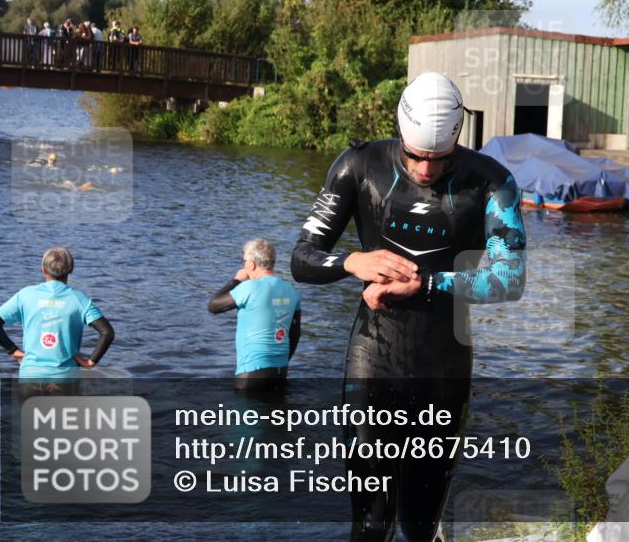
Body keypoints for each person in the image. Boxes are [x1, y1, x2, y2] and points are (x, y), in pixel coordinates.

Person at [291, 72, 526, 541]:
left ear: (457, 137)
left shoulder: (492, 182)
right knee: (371, 522)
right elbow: (302, 258)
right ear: (400, 132)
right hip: (373, 358)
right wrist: (354, 261)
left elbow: (510, 279)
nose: (424, 171)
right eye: (415, 155)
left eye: (438, 160)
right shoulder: (357, 166)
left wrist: (426, 285)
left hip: (444, 365)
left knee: (420, 524)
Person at [0, 247, 115, 391]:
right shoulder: (79, 299)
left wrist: (13, 351)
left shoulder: (25, 295)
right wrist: (91, 362)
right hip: (65, 378)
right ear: (70, 270)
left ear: (43, 270)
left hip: (30, 376)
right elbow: (107, 332)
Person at [208, 239, 301, 392]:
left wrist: (236, 280)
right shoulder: (291, 290)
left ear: (251, 264)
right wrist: (281, 360)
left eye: (243, 261)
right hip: (280, 371)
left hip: (251, 373)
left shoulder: (248, 287)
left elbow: (214, 305)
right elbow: (295, 333)